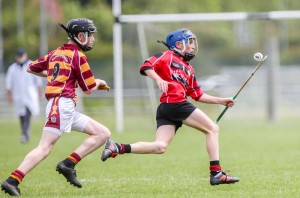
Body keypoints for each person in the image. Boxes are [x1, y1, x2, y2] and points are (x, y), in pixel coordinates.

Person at [101, 28, 239, 186]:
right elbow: (146, 66)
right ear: (179, 44)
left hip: (168, 108)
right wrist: (158, 79)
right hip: (176, 103)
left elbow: (197, 95)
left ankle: (117, 147)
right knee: (212, 129)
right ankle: (216, 173)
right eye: (190, 43)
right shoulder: (167, 56)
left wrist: (221, 101)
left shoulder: (189, 68)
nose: (193, 46)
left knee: (160, 147)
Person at [1, 18, 111, 196]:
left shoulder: (56, 53)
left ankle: (68, 164)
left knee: (103, 133)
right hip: (62, 105)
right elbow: (89, 89)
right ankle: (12, 180)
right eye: (90, 35)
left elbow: (31, 67)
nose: (92, 39)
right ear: (80, 36)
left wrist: (53, 75)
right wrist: (100, 82)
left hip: (63, 106)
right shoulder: (78, 56)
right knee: (44, 148)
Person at [5, 49, 43, 143]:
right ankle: (25, 133)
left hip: (30, 95)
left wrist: (39, 94)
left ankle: (24, 134)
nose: (20, 58)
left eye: (22, 56)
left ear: (25, 55)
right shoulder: (12, 68)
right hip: (19, 95)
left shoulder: (32, 65)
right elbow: (9, 84)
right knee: (21, 115)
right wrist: (9, 95)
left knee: (27, 113)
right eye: (19, 56)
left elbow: (38, 82)